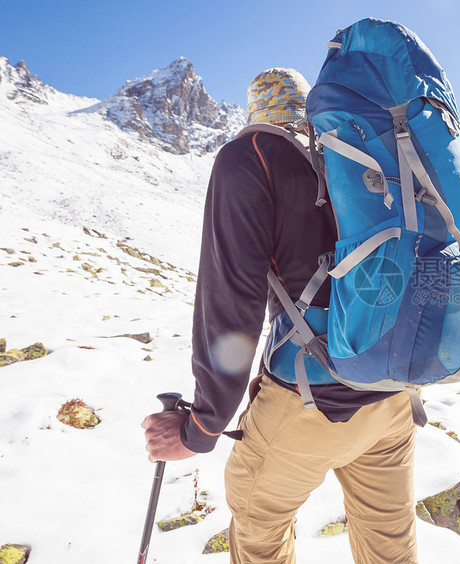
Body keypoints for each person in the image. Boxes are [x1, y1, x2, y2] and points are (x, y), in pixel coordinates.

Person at [141, 68, 419, 564]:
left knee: (259, 525)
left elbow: (230, 304)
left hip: (311, 399)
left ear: (254, 112)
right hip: (395, 392)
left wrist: (202, 429)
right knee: (389, 542)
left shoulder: (248, 157)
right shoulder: (357, 156)